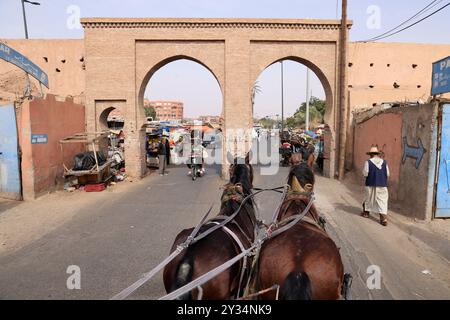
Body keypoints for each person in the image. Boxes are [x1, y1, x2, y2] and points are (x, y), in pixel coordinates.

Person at [361, 146, 390, 226]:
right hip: (382, 185)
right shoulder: (384, 162)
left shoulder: (368, 162)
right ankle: (383, 218)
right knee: (382, 201)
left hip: (370, 184)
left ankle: (366, 213)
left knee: (368, 199)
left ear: (370, 154)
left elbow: (365, 173)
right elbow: (388, 174)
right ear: (377, 154)